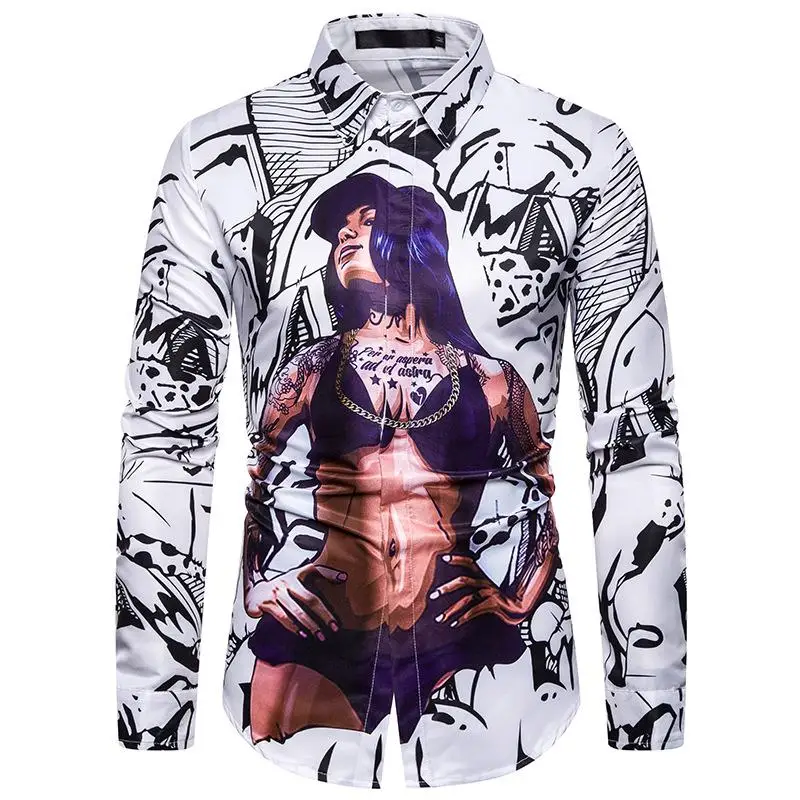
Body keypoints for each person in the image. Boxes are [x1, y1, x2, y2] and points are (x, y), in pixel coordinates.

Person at [241, 172, 559, 745]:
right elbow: (260, 476)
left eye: (365, 223)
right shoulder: (311, 368)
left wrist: (518, 600)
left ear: (413, 241)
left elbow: (542, 491)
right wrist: (255, 584)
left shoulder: (490, 381)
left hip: (455, 641)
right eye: (340, 231)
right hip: (316, 637)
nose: (345, 237)